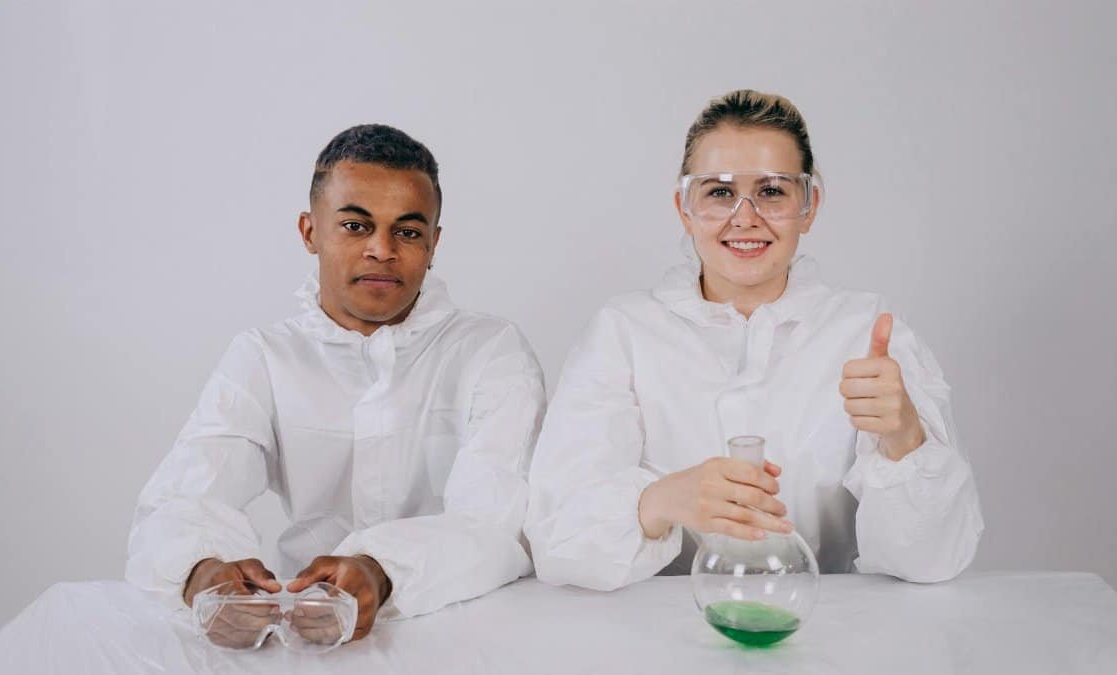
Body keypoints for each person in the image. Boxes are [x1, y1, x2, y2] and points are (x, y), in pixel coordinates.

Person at [524, 90, 983, 591]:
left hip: (829, 632)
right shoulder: (624, 331)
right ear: (684, 207)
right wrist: (661, 501)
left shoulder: (867, 330)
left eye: (772, 191)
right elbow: (558, 543)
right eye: (719, 192)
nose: (745, 217)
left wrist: (904, 437)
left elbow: (935, 560)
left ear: (808, 206)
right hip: (658, 635)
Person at [126, 124, 546, 644]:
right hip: (304, 632)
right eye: (354, 226)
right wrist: (203, 573)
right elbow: (182, 496)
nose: (382, 250)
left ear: (434, 243)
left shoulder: (490, 350)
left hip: (467, 631)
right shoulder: (263, 356)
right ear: (309, 232)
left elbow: (501, 522)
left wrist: (383, 570)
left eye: (408, 232)